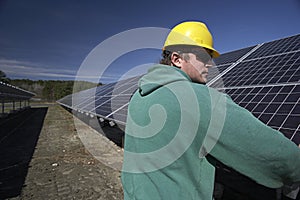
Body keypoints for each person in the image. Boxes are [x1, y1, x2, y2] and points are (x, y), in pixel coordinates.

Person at [121, 21, 300, 199]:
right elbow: (272, 152)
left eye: (210, 57)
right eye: (203, 57)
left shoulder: (139, 95)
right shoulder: (199, 100)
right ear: (177, 59)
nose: (210, 64)